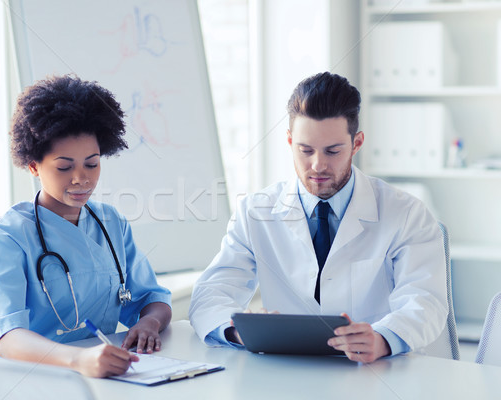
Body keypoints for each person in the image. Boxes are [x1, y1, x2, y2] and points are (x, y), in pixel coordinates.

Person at [188, 71, 447, 363]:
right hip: (287, 372)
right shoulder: (254, 213)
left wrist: (383, 338)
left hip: (376, 373)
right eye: (305, 150)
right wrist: (238, 333)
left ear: (357, 143)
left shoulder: (407, 213)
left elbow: (427, 301)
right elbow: (210, 294)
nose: (318, 165)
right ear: (289, 141)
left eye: (333, 151)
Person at [0, 75, 172, 377]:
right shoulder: (8, 238)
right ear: (34, 166)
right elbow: (6, 337)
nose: (82, 178)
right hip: (19, 379)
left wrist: (148, 323)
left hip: (93, 377)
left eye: (92, 163)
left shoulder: (111, 223)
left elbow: (152, 298)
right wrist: (78, 360)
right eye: (64, 167)